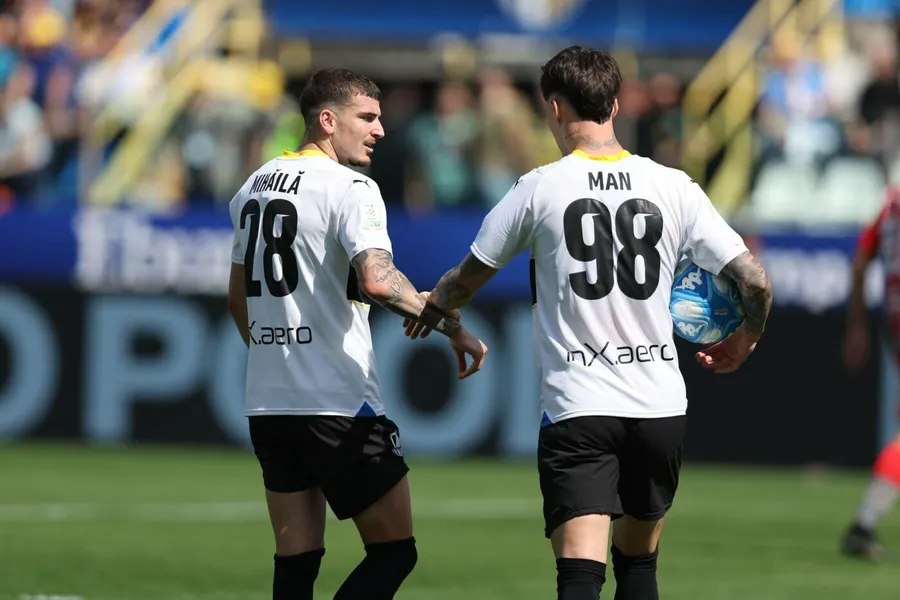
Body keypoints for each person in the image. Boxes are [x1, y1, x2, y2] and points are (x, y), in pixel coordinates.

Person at [403, 47, 773, 599]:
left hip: (580, 406)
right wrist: (747, 338)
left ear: (554, 108)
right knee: (639, 567)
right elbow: (755, 281)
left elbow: (467, 278)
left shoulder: (540, 186)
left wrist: (436, 306)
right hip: (659, 407)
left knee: (580, 575)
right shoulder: (673, 185)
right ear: (615, 105)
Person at [226, 67, 488, 600]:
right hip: (339, 405)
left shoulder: (252, 187)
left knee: (296, 559)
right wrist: (450, 323)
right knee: (394, 551)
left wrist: (279, 356)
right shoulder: (352, 188)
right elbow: (377, 279)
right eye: (366, 117)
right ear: (328, 120)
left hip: (269, 403)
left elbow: (237, 299)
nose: (379, 130)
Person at [840, 185, 900, 560]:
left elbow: (861, 261)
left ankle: (863, 525)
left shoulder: (891, 202)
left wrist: (858, 327)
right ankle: (862, 525)